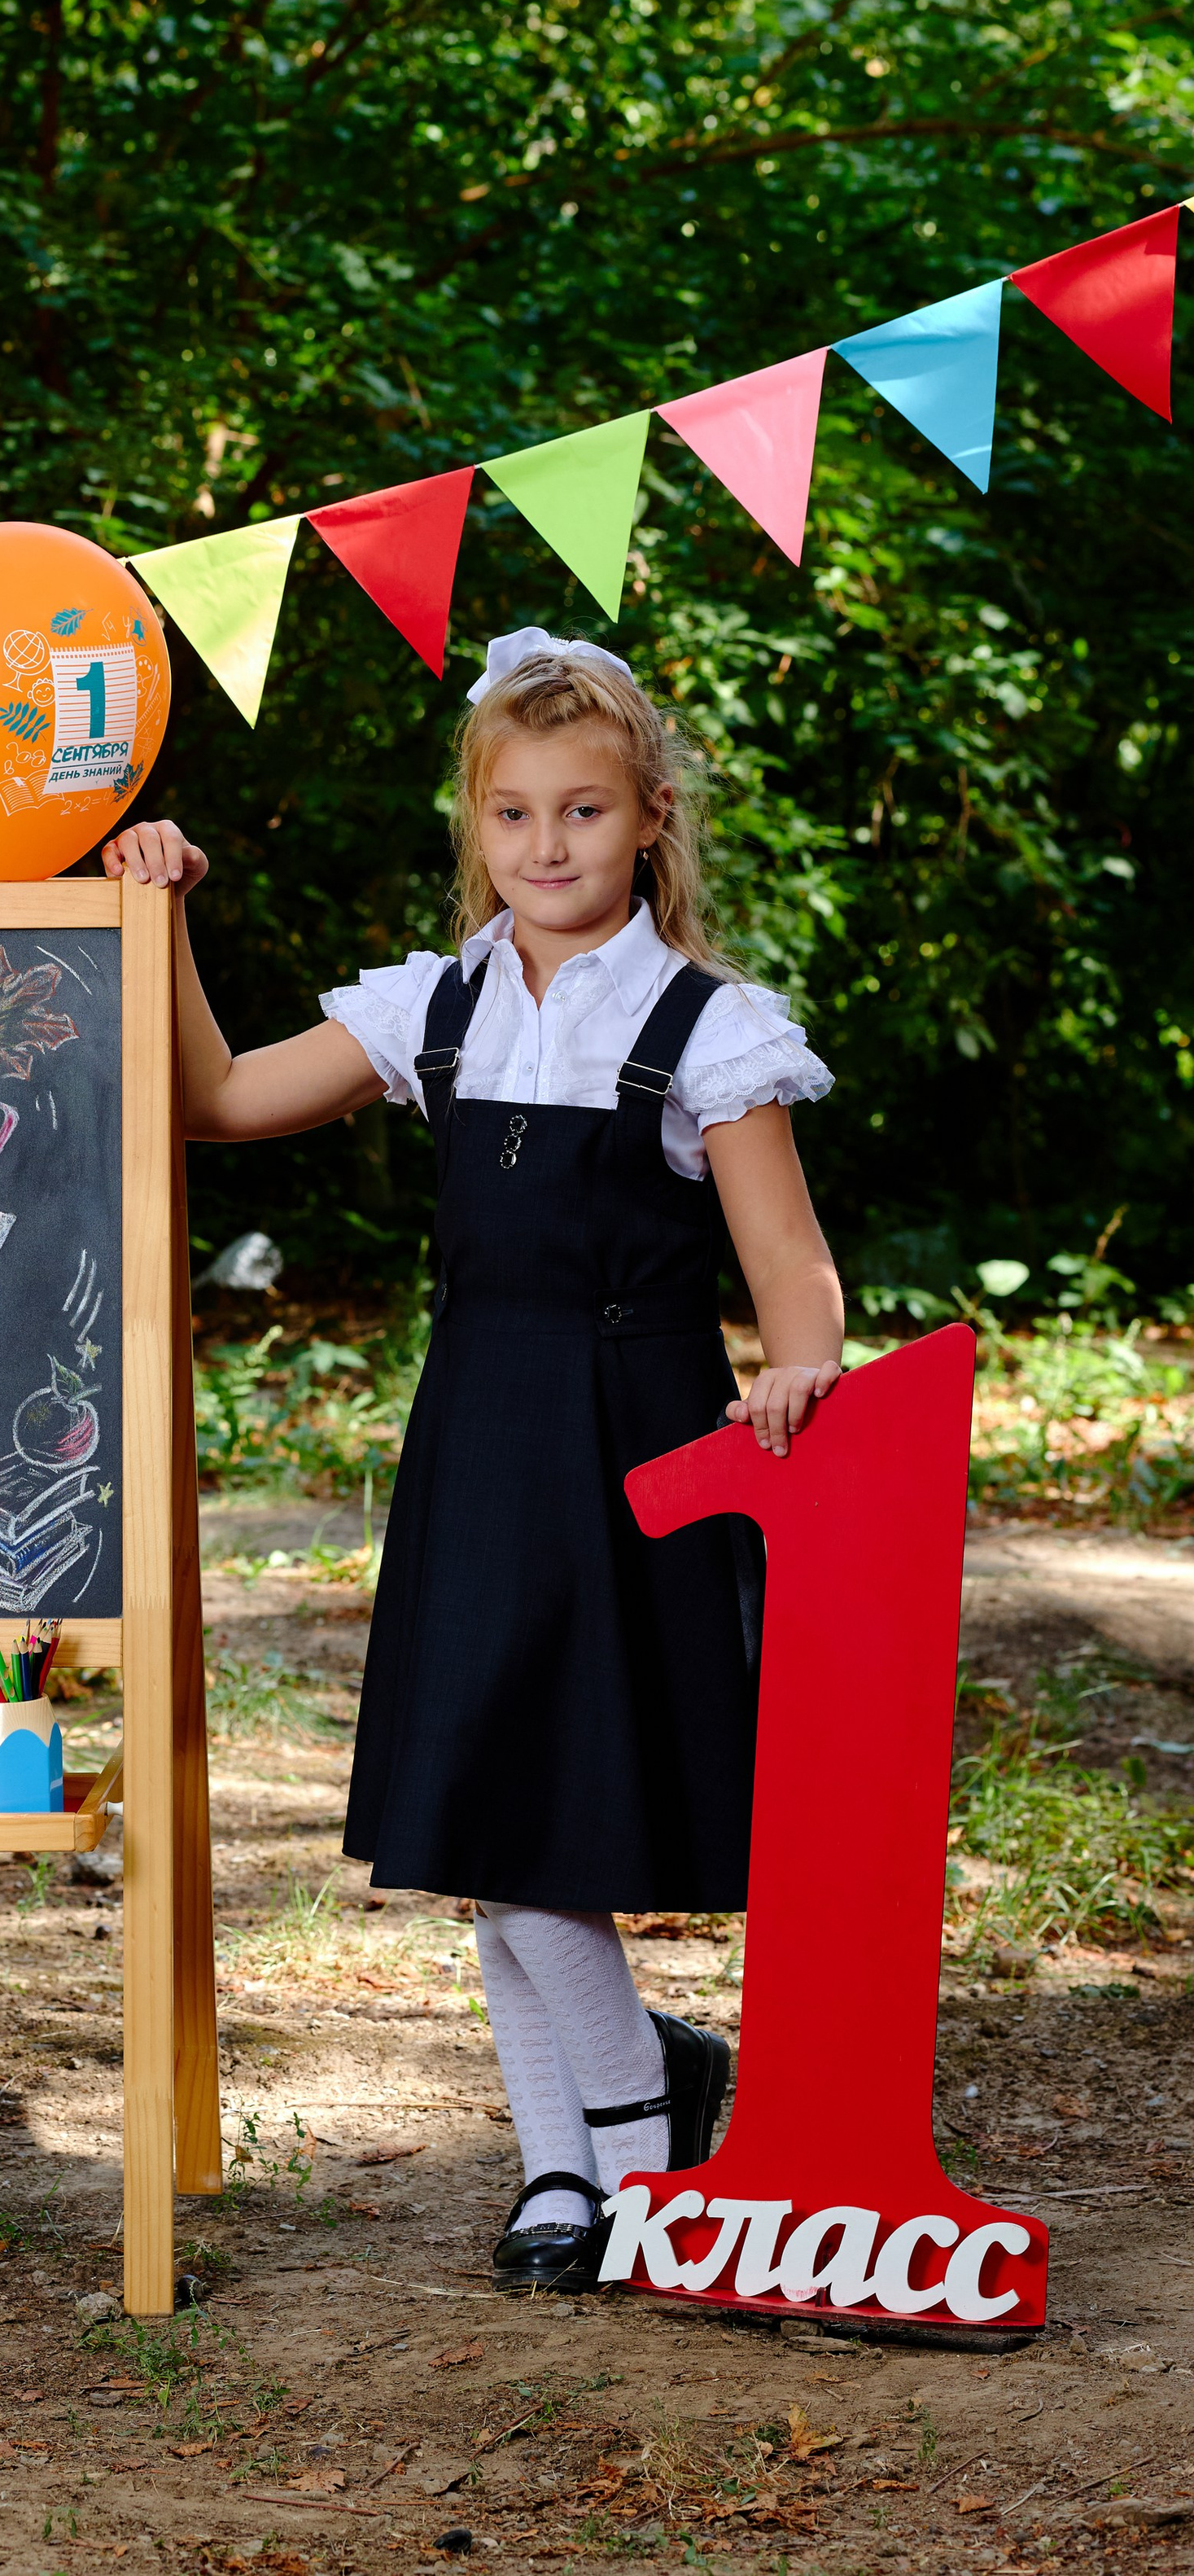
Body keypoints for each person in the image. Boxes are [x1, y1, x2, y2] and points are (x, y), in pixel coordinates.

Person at [102, 628, 844, 2292]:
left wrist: (801, 1372)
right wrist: (153, 913)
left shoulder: (703, 1025)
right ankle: (569, 2171)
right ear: (475, 826)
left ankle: (636, 2159)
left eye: (581, 811)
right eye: (511, 816)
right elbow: (214, 1098)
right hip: (476, 1442)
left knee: (543, 1834)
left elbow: (785, 1260)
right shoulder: (430, 1006)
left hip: (634, 1451)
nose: (546, 846)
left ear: (647, 816)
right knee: (483, 1829)